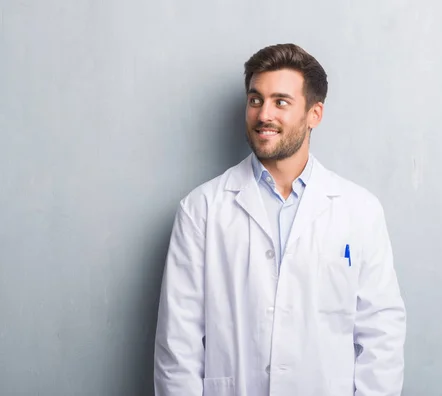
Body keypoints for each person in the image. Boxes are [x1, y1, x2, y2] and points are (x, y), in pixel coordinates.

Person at [153, 43, 406, 396]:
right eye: (255, 100)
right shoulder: (202, 209)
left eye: (280, 102)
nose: (263, 114)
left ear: (314, 114)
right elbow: (177, 344)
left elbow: (382, 335)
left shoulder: (359, 210)